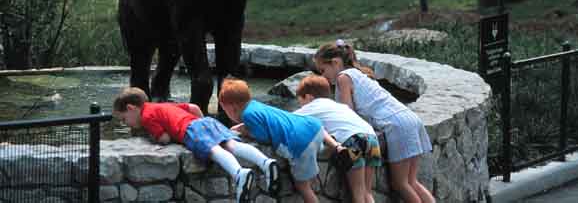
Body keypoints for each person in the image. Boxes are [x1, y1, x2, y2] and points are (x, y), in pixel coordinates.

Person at [314, 40, 436, 203]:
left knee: (401, 184)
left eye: (322, 70)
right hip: (410, 118)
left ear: (335, 63)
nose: (322, 76)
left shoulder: (344, 78)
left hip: (397, 126)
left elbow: (346, 113)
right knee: (412, 181)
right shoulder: (359, 73)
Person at [112, 87, 279, 203]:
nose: (126, 123)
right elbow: (193, 107)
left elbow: (164, 138)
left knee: (214, 150)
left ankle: (239, 173)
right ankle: (266, 162)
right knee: (231, 144)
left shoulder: (147, 117)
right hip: (206, 122)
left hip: (190, 130)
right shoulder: (162, 105)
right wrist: (201, 121)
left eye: (124, 119)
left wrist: (152, 136)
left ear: (131, 108)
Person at [218, 78, 342, 203]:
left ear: (232, 107)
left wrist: (245, 131)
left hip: (300, 144)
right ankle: (312, 178)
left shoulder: (247, 115)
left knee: (302, 186)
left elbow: (263, 136)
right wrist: (243, 127)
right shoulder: (254, 106)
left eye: (224, 109)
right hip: (314, 129)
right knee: (307, 176)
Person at [295, 75, 382, 203]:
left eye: (300, 101)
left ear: (308, 97)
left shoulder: (310, 107)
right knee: (366, 192)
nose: (301, 105)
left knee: (357, 193)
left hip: (353, 140)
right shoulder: (339, 106)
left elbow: (287, 120)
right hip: (372, 138)